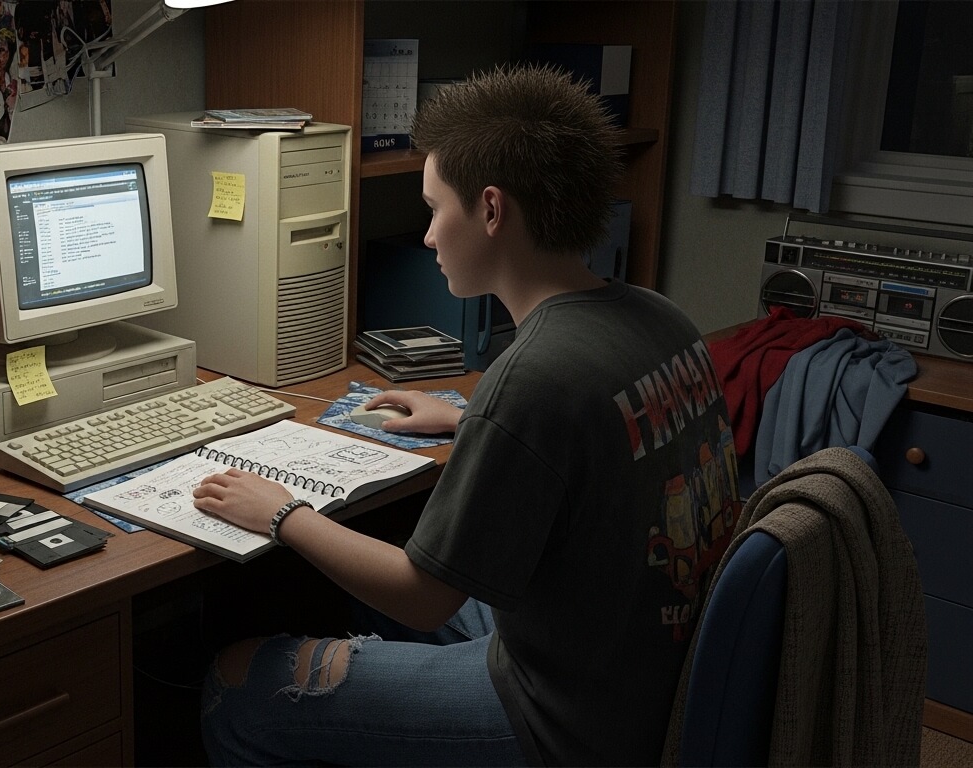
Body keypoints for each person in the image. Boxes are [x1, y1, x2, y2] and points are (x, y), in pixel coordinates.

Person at [193, 64, 741, 767]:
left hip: (562, 718)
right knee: (359, 594)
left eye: (433, 207)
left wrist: (281, 512)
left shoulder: (535, 375)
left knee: (234, 683)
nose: (426, 236)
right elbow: (601, 430)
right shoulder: (661, 317)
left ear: (489, 210)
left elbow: (424, 600)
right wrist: (469, 419)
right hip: (639, 673)